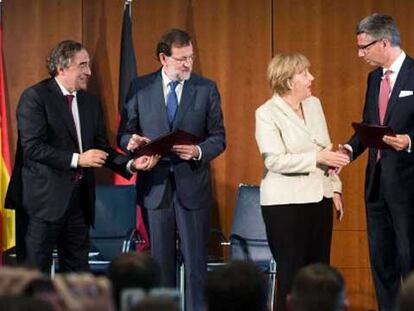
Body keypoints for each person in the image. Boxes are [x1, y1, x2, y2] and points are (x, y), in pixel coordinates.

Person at [5, 40, 158, 273]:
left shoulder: (90, 102)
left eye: (89, 65)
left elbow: (101, 148)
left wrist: (130, 164)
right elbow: (32, 148)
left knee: (77, 275)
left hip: (78, 203)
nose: (89, 71)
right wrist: (78, 159)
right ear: (62, 68)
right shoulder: (35, 97)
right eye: (82, 65)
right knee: (33, 276)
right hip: (41, 203)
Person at [117, 29, 226, 311]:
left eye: (191, 57)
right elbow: (124, 133)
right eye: (181, 59)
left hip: (192, 186)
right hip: (155, 186)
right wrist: (132, 142)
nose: (188, 64)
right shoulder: (139, 88)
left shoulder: (206, 88)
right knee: (160, 264)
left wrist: (199, 151)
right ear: (163, 58)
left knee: (196, 266)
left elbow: (218, 137)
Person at [255, 53, 349, 311]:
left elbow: (327, 149)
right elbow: (274, 160)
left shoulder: (314, 104)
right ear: (288, 81)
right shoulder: (266, 113)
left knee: (319, 273)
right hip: (285, 204)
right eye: (305, 73)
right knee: (292, 273)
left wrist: (336, 189)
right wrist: (316, 157)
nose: (311, 78)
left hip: (320, 197)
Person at [341, 14, 414, 311]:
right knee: (381, 261)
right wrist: (347, 149)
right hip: (376, 186)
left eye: (364, 47)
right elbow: (371, 125)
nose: (360, 54)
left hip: (408, 187)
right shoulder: (374, 79)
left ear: (384, 42)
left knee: (409, 259)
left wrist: (410, 141)